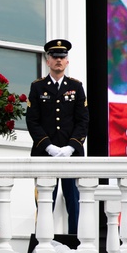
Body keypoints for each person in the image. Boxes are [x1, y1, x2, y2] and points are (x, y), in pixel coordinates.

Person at [25, 39, 89, 237]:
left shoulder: (76, 87)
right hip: (45, 155)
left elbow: (83, 121)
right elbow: (32, 121)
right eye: (55, 57)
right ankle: (42, 244)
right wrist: (49, 147)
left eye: (63, 57)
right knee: (44, 202)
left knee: (74, 202)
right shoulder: (37, 87)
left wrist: (71, 147)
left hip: (71, 156)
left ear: (67, 61)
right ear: (48, 61)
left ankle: (75, 244)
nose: (59, 60)